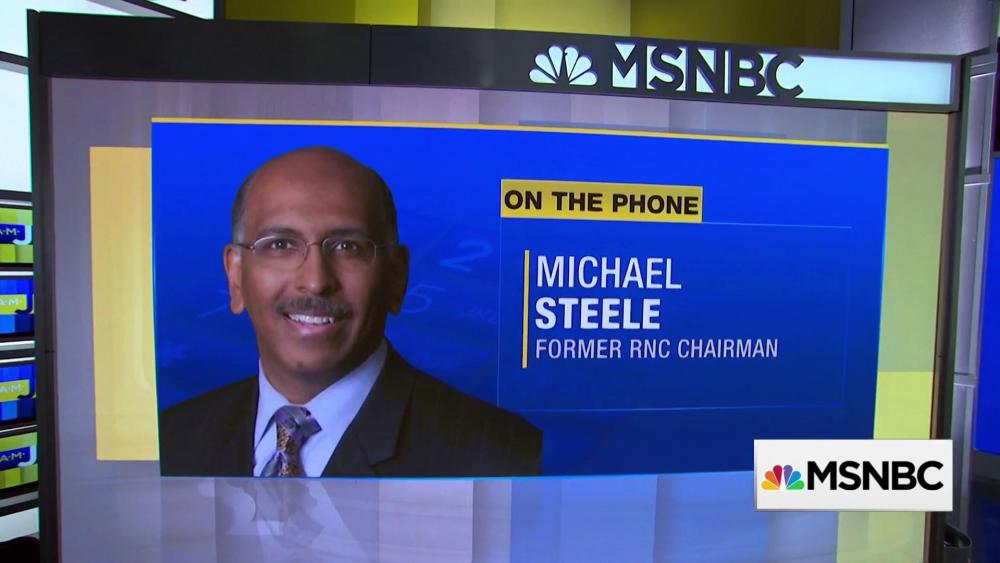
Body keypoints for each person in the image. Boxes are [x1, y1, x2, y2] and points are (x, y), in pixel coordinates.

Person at [158, 146, 542, 478]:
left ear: (396, 277)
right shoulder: (172, 439)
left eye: (347, 247)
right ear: (235, 277)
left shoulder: (499, 458)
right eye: (280, 245)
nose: (315, 281)